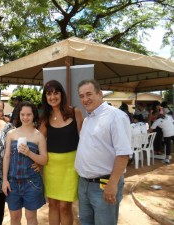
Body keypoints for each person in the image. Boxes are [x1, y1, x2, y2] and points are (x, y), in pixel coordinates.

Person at [75, 79, 132, 225]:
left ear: (100, 94)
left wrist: (112, 184)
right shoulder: (88, 119)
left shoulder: (116, 117)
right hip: (84, 185)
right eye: (81, 96)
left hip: (104, 185)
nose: (85, 99)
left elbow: (123, 154)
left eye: (89, 94)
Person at [39, 80, 83, 225]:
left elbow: (84, 138)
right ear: (46, 97)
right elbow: (38, 139)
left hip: (70, 166)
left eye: (56, 93)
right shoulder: (46, 117)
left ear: (61, 94)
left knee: (65, 206)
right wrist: (36, 159)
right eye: (49, 94)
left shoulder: (74, 112)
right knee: (52, 204)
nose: (53, 97)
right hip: (51, 167)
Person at [2, 101, 47, 225]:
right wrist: (5, 180)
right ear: (19, 115)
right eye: (22, 114)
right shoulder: (11, 133)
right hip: (13, 183)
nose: (25, 117)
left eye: (28, 114)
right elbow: (6, 157)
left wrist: (29, 153)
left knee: (31, 217)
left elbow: (44, 159)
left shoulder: (39, 136)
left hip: (31, 182)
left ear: (33, 115)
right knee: (15, 217)